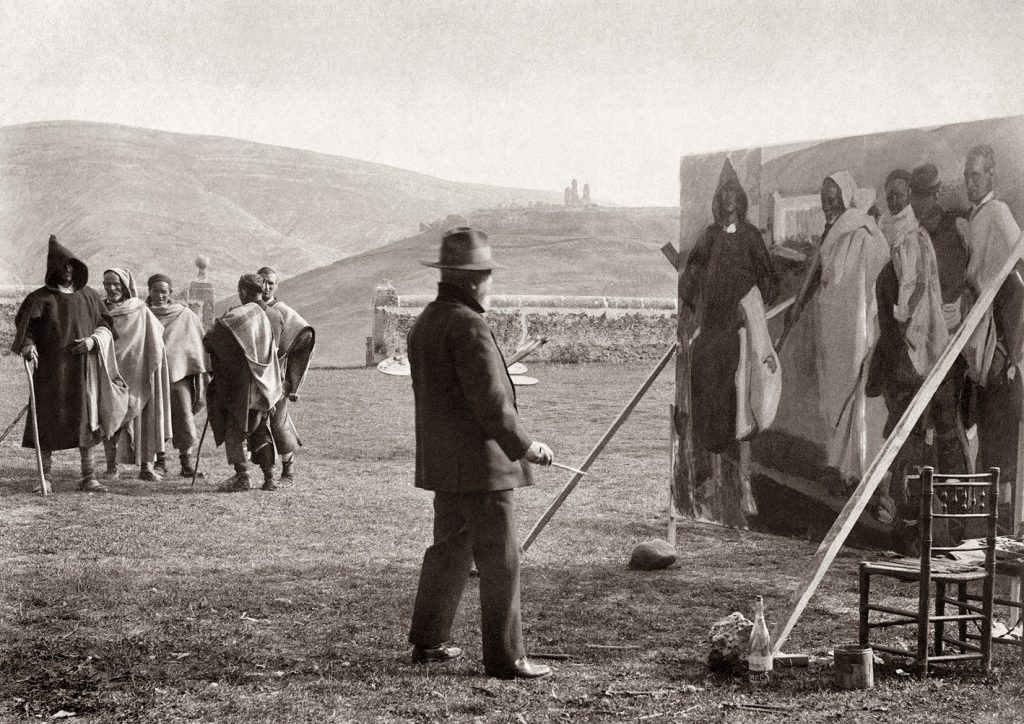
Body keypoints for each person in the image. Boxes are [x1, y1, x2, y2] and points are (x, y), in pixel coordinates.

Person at [407, 227, 554, 680]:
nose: (490, 283)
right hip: (482, 467)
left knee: (449, 550)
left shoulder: (426, 321)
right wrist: (526, 447)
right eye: (487, 275)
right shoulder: (469, 324)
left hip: (446, 463)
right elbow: (490, 402)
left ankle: (429, 641)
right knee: (501, 559)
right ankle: (506, 658)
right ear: (475, 279)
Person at [788, 171, 890, 491]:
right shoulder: (832, 231)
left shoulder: (861, 228)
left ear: (845, 198)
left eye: (832, 200)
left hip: (855, 324)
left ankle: (854, 470)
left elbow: (875, 268)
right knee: (834, 392)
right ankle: (836, 463)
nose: (827, 205)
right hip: (831, 324)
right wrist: (800, 301)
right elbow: (819, 271)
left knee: (854, 390)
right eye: (823, 201)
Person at [867, 169, 953, 523]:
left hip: (910, 341)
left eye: (901, 194)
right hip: (892, 339)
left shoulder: (912, 238)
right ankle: (894, 499)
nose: (895, 199)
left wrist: (904, 321)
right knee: (899, 419)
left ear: (911, 196)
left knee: (910, 423)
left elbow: (917, 288)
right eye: (891, 194)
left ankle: (901, 503)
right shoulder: (887, 231)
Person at [11, 235, 127, 493]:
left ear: (77, 268)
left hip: (81, 369)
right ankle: (46, 477)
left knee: (85, 420)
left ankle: (88, 476)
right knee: (47, 419)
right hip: (49, 370)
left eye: (71, 267)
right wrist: (29, 345)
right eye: (62, 268)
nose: (67, 272)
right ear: (54, 270)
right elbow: (27, 327)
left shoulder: (89, 296)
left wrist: (93, 341)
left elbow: (105, 324)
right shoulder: (40, 298)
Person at [679, 170, 777, 455]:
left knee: (732, 381)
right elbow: (693, 274)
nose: (727, 198)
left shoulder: (750, 236)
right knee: (704, 373)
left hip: (737, 323)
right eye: (723, 193)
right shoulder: (709, 236)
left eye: (732, 192)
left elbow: (768, 275)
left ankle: (727, 444)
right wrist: (688, 308)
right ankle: (706, 444)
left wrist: (755, 306)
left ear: (741, 198)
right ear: (717, 199)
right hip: (712, 320)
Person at [958, 145, 1024, 494]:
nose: (971, 182)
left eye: (977, 175)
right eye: (967, 175)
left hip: (996, 335)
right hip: (978, 331)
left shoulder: (998, 213)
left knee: (997, 423)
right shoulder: (975, 216)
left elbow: (1018, 271)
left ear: (991, 175)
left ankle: (999, 511)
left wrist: (1009, 348)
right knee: (978, 421)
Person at [203, 274, 284, 492]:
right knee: (260, 430)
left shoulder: (235, 315)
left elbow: (211, 342)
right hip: (266, 384)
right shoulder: (275, 315)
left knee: (234, 430)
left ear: (242, 291)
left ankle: (242, 476)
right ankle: (269, 479)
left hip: (239, 386)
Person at [100, 268, 172, 482]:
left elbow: (155, 337)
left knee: (143, 418)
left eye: (116, 283)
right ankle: (112, 467)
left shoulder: (140, 310)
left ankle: (146, 467)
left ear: (125, 285)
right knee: (109, 416)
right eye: (107, 283)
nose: (111, 288)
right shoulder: (100, 308)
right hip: (111, 371)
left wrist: (151, 362)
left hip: (139, 371)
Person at [254, 266, 316, 490]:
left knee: (279, 424)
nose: (266, 287)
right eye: (262, 282)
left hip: (276, 380)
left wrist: (288, 371)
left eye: (271, 283)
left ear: (276, 286)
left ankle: (288, 471)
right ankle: (266, 474)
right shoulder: (250, 309)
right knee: (255, 426)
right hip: (254, 379)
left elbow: (305, 334)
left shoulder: (282, 310)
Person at [146, 274, 209, 478]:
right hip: (151, 375)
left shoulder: (184, 315)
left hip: (178, 376)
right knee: (155, 416)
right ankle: (159, 461)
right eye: (155, 290)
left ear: (170, 293)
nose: (159, 295)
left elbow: (197, 341)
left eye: (164, 291)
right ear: (150, 291)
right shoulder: (143, 314)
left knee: (183, 417)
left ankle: (186, 463)